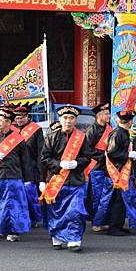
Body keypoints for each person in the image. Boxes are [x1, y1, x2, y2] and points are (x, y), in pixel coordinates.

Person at [41, 105, 90, 252]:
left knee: (75, 210)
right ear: (60, 119)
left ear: (75, 120)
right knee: (57, 210)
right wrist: (58, 164)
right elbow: (44, 158)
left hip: (75, 181)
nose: (68, 121)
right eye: (65, 118)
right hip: (57, 180)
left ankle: (74, 238)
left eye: (71, 118)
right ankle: (57, 235)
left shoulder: (81, 137)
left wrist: (76, 163)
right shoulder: (51, 137)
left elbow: (87, 157)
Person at [0, 107, 32, 241]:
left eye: (2, 121)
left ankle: (13, 231)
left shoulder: (19, 139)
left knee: (14, 205)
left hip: (14, 176)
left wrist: (28, 179)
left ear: (9, 123)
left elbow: (26, 160)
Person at [105, 108, 136, 236]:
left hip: (123, 170)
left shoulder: (123, 132)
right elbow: (112, 153)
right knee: (117, 200)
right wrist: (128, 155)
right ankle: (114, 227)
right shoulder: (118, 133)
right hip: (117, 171)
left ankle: (118, 225)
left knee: (122, 200)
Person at [13, 105, 45, 227]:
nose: (19, 120)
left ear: (27, 117)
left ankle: (34, 217)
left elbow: (40, 151)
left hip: (31, 167)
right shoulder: (11, 129)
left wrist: (41, 172)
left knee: (30, 194)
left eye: (21, 117)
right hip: (15, 167)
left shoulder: (36, 130)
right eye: (16, 117)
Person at [84, 103, 113, 232]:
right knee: (97, 196)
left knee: (105, 196)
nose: (109, 116)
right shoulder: (92, 130)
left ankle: (103, 220)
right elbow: (87, 149)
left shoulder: (109, 128)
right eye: (106, 114)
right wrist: (103, 156)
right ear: (99, 116)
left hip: (108, 166)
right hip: (96, 166)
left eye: (108, 113)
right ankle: (96, 222)